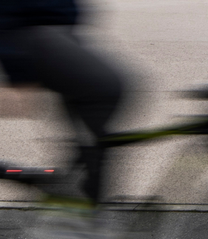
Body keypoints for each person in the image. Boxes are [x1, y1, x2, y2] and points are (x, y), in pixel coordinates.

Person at [0, 0, 124, 205]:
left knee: (90, 131)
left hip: (54, 30)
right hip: (27, 32)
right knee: (104, 90)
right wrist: (19, 70)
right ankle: (74, 214)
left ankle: (74, 199)